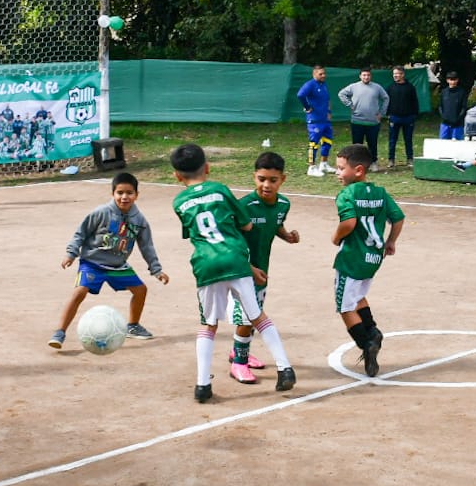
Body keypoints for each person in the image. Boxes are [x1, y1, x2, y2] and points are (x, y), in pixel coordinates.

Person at [171, 143, 295, 402]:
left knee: (209, 325)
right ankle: (285, 368)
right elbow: (247, 225)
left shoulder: (179, 201)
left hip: (206, 264)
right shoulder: (221, 190)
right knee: (258, 317)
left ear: (176, 175)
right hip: (237, 262)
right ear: (207, 167)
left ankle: (203, 385)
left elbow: (193, 232)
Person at [49, 171, 168, 350]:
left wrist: (156, 270)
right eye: (120, 193)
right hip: (92, 263)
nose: (124, 197)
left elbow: (147, 246)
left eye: (129, 193)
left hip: (118, 266)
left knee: (141, 290)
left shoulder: (139, 220)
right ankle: (60, 332)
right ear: (113, 194)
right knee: (79, 292)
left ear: (137, 195)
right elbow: (80, 234)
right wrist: (71, 254)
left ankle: (133, 326)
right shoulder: (100, 213)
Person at [332, 143, 405, 378]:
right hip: (373, 258)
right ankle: (372, 331)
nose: (337, 173)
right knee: (358, 296)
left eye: (341, 168)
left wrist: (336, 237)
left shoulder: (347, 194)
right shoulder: (380, 193)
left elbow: (349, 223)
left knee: (344, 307)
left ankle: (366, 344)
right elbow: (399, 218)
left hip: (352, 259)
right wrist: (391, 241)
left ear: (359, 170)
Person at [227, 152, 300, 387]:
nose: (266, 185)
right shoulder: (244, 206)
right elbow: (230, 241)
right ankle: (238, 362)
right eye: (261, 179)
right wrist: (248, 267)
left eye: (272, 180)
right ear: (254, 177)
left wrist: (287, 236)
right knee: (250, 315)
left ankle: (240, 351)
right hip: (240, 270)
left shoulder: (283, 205)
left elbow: (275, 223)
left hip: (262, 271)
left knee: (253, 312)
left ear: (283, 179)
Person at [338, 68, 389, 168]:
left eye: (368, 75)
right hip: (357, 121)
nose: (366, 77)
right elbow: (341, 94)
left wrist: (381, 113)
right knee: (357, 146)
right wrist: (349, 104)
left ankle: (373, 162)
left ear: (371, 76)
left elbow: (386, 98)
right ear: (360, 76)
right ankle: (357, 163)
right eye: (364, 75)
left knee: (372, 144)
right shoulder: (353, 86)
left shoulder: (377, 87)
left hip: (373, 122)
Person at [296, 65, 334, 177]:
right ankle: (311, 167)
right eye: (320, 74)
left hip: (325, 119)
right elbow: (300, 95)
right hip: (315, 120)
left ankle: (324, 164)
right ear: (314, 74)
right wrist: (307, 107)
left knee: (327, 141)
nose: (323, 75)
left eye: (324, 73)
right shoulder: (310, 85)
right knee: (314, 143)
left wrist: (329, 112)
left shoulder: (324, 85)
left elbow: (327, 100)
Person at [385, 66, 419, 167]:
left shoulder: (410, 87)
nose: (395, 75)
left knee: (408, 139)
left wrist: (414, 115)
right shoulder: (390, 87)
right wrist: (388, 114)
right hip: (394, 117)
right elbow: (387, 102)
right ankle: (391, 160)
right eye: (394, 74)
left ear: (402, 74)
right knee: (392, 140)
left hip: (408, 118)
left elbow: (415, 102)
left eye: (397, 73)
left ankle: (410, 159)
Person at [436, 70, 467, 140]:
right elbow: (440, 106)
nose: (453, 82)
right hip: (445, 123)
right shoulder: (444, 92)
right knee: (443, 143)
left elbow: (464, 107)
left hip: (458, 124)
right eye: (451, 79)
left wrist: (458, 118)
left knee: (457, 145)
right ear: (447, 80)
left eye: (454, 79)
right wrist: (443, 116)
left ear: (457, 80)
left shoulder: (462, 93)